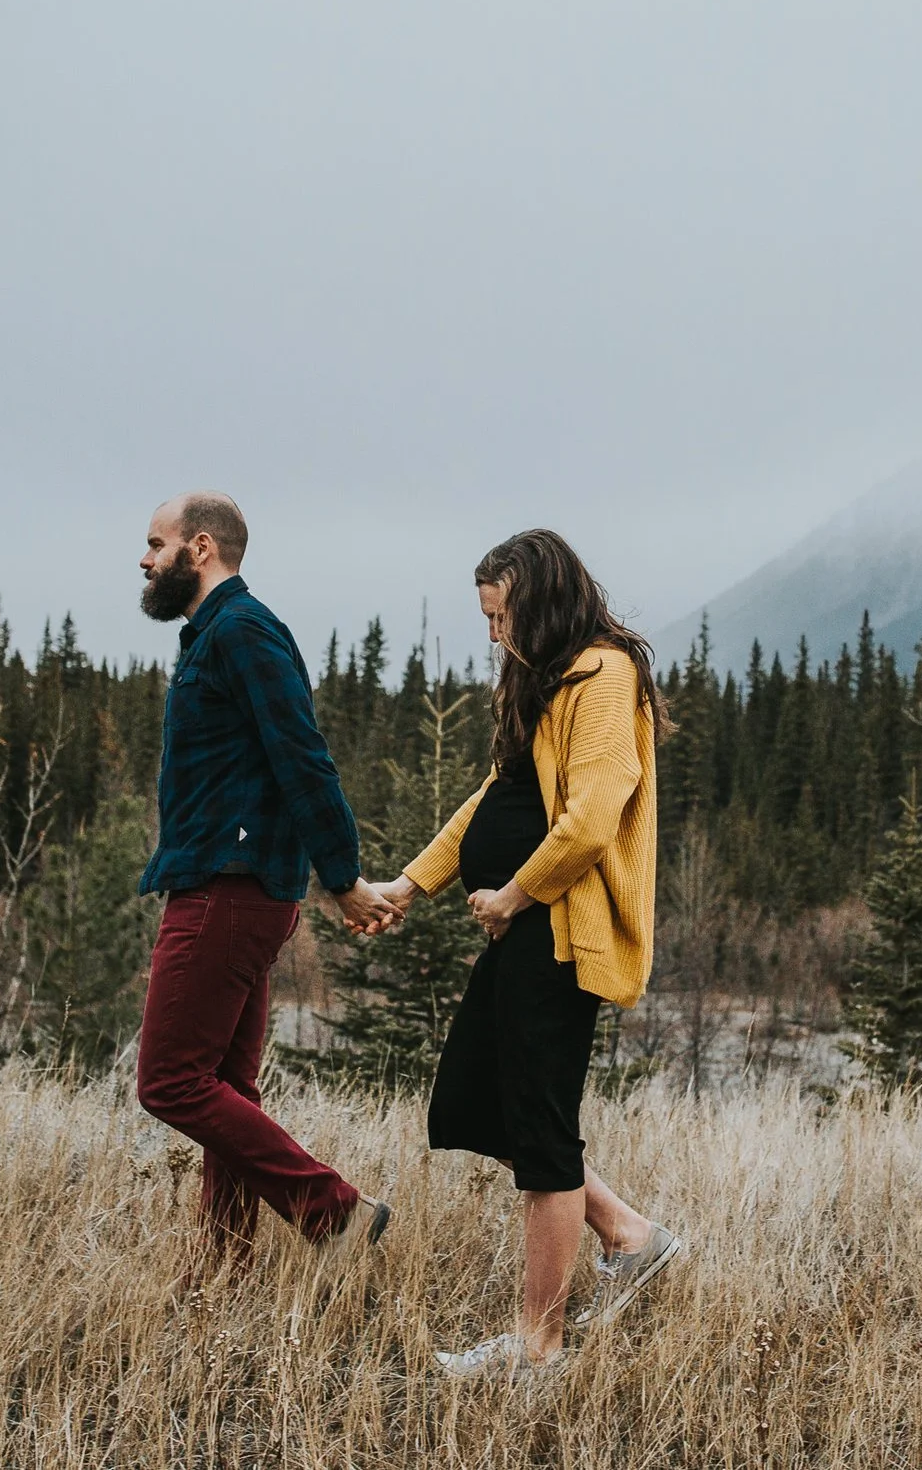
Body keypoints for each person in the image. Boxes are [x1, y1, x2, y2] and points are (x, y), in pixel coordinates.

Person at [357, 528, 684, 1378]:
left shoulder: (603, 675)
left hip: (559, 934)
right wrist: (411, 884)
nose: (494, 634)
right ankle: (628, 1233)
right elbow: (495, 798)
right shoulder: (543, 683)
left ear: (537, 602)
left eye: (500, 616)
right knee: (477, 1098)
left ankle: (540, 1348)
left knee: (539, 1130)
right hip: (526, 930)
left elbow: (593, 813)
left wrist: (513, 893)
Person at [133, 491, 397, 1277]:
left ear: (201, 547)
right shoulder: (215, 634)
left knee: (171, 1081)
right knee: (225, 1088)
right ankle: (224, 1271)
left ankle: (333, 1210)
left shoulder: (243, 630)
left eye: (155, 542)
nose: (144, 559)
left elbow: (302, 754)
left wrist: (343, 875)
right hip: (234, 885)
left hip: (229, 887)